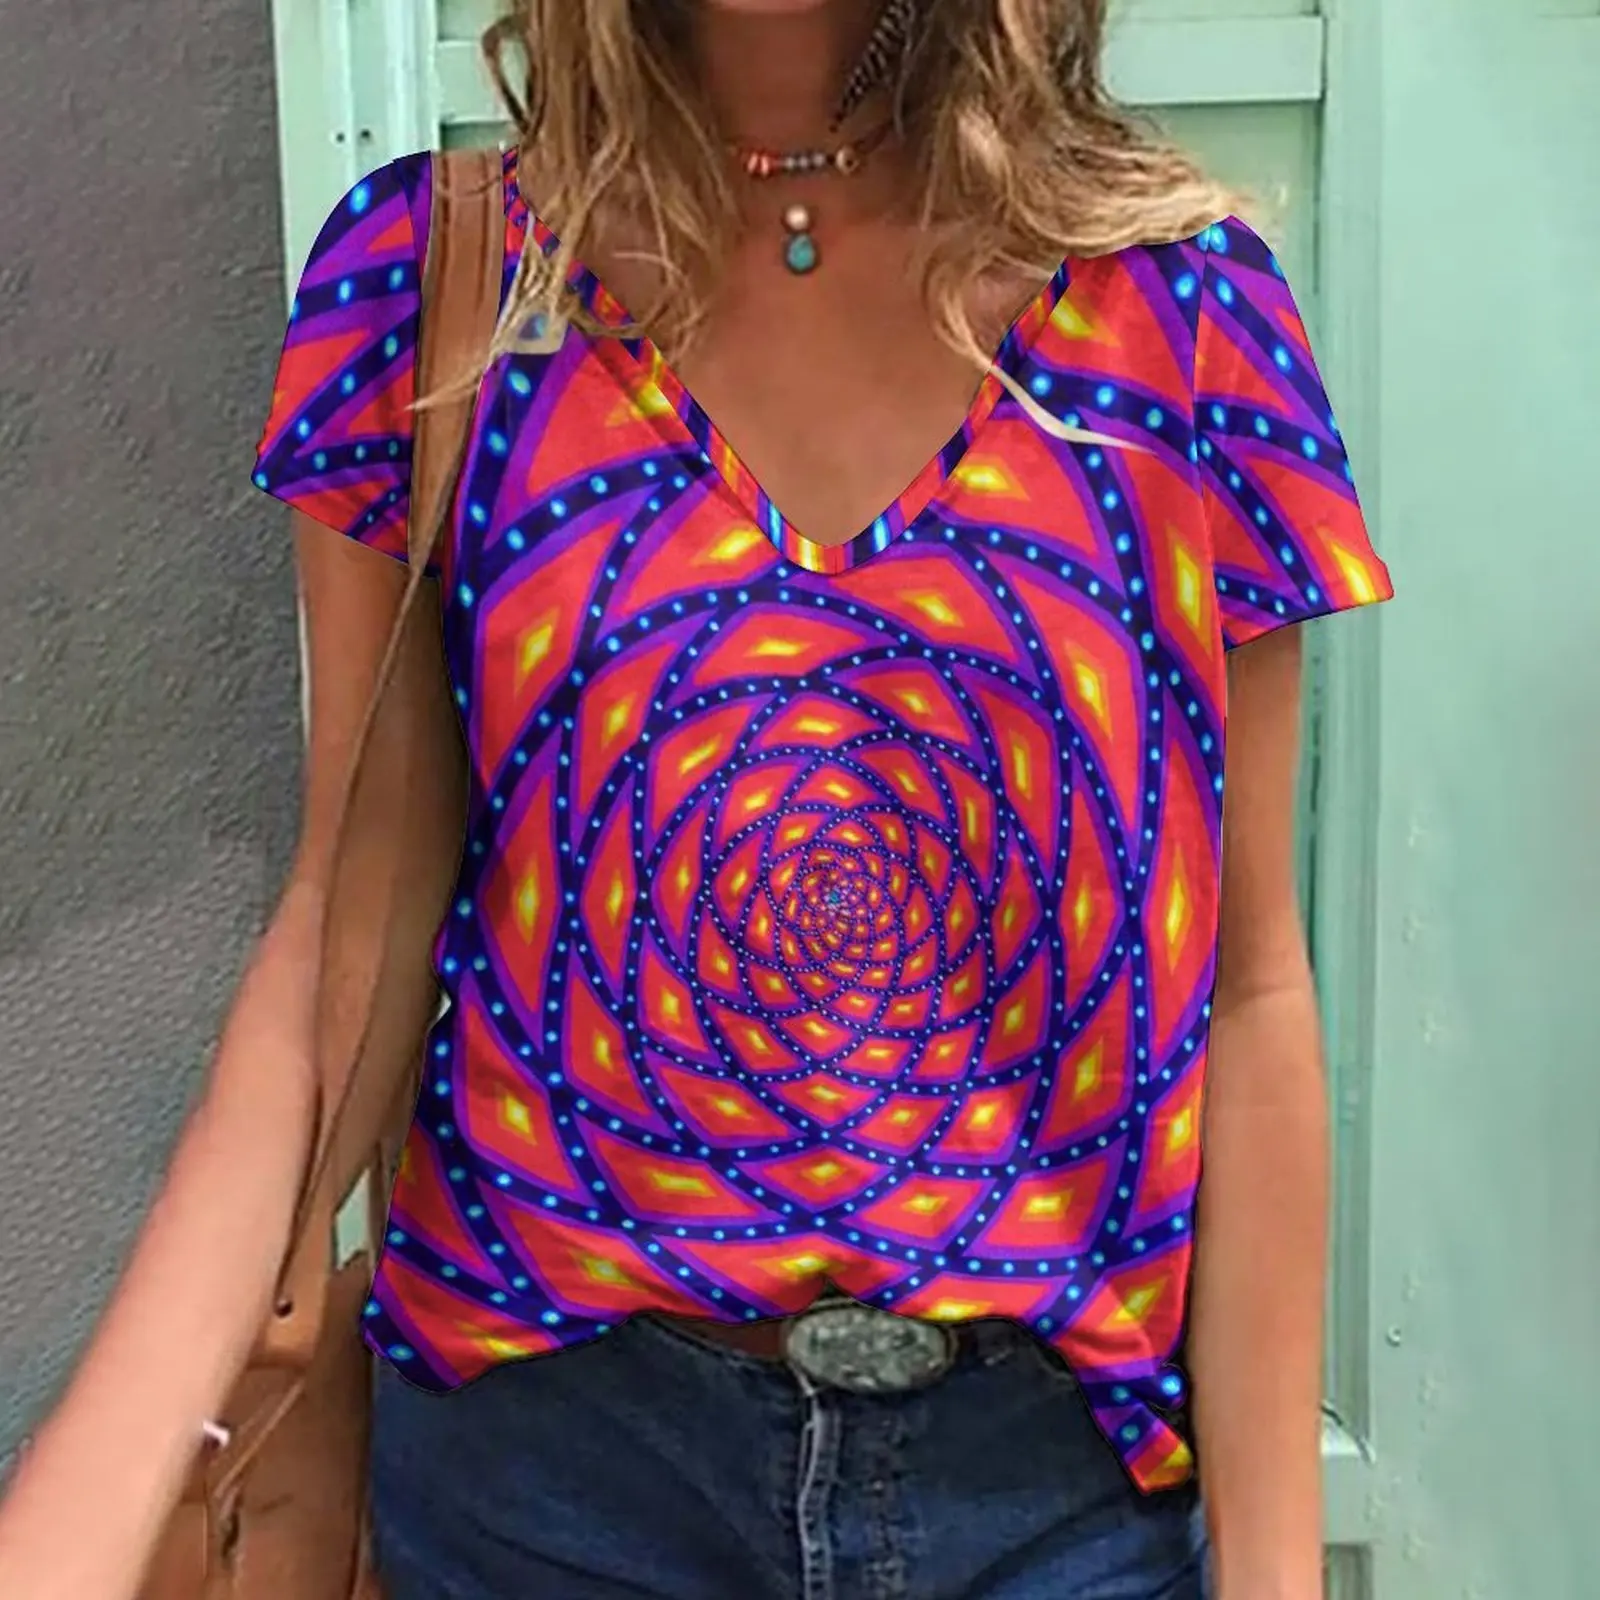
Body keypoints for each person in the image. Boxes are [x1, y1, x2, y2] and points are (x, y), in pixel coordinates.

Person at [0, 1, 1394, 1596]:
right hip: (553, 1485)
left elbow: (1247, 991)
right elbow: (345, 944)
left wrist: (1275, 1573)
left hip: (1046, 1504)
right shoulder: (445, 289)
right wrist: (78, 1515)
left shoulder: (1186, 313)